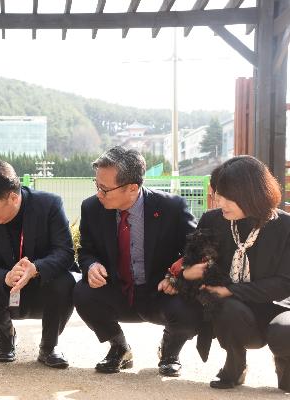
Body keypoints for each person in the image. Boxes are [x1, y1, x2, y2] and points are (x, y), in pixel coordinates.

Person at [73, 146, 201, 377]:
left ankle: (170, 352)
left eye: (104, 188)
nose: (99, 193)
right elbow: (86, 250)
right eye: (97, 185)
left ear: (133, 187)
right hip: (115, 289)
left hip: (159, 291)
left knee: (191, 305)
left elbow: (197, 249)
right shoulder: (91, 208)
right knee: (82, 292)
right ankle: (119, 348)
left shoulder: (171, 208)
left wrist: (176, 277)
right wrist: (91, 265)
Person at [178, 155, 290, 392]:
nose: (222, 203)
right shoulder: (212, 220)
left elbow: (284, 284)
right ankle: (235, 364)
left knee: (285, 332)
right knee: (224, 305)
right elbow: (190, 264)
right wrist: (187, 273)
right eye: (220, 195)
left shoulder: (285, 226)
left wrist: (231, 289)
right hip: (236, 310)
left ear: (253, 194)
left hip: (279, 307)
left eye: (230, 198)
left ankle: (285, 362)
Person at [0, 160, 78, 368]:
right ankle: (6, 337)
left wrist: (36, 269)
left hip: (43, 287)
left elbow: (65, 253)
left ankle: (49, 346)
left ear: (13, 197)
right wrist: (6, 277)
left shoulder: (49, 205)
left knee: (65, 281)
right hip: (6, 290)